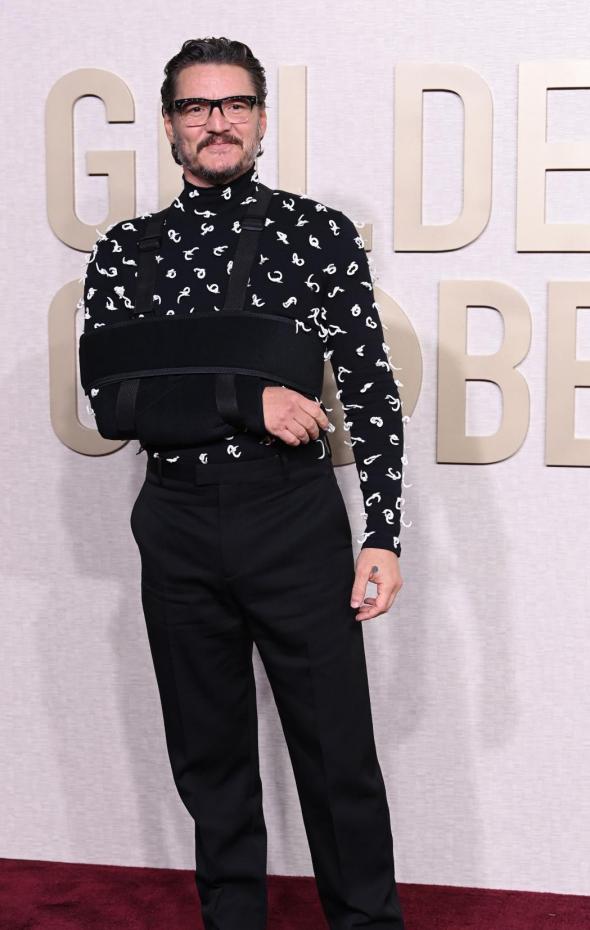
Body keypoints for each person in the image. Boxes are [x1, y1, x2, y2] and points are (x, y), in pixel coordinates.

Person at [81, 36, 407, 930]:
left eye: (234, 105)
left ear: (261, 120)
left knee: (339, 759)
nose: (215, 122)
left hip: (292, 517)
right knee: (210, 761)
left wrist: (383, 533)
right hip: (176, 524)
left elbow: (370, 389)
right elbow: (112, 405)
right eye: (196, 106)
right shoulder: (126, 251)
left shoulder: (317, 234)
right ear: (169, 125)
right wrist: (244, 396)